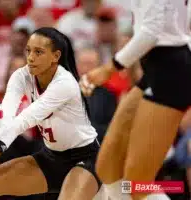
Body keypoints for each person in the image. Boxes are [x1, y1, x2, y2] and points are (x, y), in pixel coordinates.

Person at [0, 27, 101, 200]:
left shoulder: (65, 83)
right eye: (28, 50)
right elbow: (4, 120)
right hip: (50, 158)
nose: (31, 57)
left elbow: (21, 122)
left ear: (55, 56)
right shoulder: (21, 76)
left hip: (84, 158)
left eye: (39, 52)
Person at [80, 1, 191, 200]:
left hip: (171, 70)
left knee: (137, 184)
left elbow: (151, 31)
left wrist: (108, 69)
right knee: (107, 168)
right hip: (153, 68)